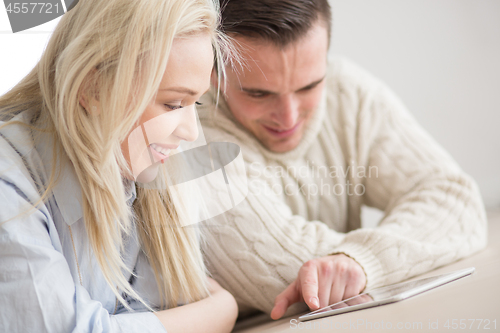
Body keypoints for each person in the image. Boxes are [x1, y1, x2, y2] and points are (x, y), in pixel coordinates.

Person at [197, 0, 488, 319]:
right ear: (214, 73)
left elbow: (457, 202)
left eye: (309, 85)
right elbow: (289, 281)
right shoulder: (191, 132)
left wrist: (364, 260)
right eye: (259, 94)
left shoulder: (348, 92)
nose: (289, 117)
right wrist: (394, 253)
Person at [0, 0, 238, 332]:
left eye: (195, 102)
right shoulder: (8, 182)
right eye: (173, 103)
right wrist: (221, 311)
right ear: (92, 89)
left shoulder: (139, 174)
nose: (190, 131)